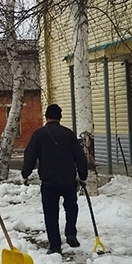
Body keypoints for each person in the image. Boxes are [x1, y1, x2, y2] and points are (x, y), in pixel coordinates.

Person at [21, 104, 89, 255]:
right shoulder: (69, 134)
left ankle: (55, 245)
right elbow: (80, 157)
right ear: (60, 117)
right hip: (68, 180)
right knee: (71, 207)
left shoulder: (39, 134)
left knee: (50, 213)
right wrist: (83, 177)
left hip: (49, 182)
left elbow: (30, 156)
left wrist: (25, 173)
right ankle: (71, 233)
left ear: (46, 117)